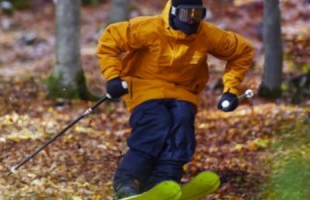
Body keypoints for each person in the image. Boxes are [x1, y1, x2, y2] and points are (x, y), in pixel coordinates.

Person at [97, 0, 254, 199]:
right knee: (156, 122)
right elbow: (111, 39)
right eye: (185, 14)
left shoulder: (206, 34)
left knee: (182, 122)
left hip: (183, 92)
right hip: (146, 86)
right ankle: (127, 181)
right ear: (172, 13)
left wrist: (231, 89)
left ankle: (163, 181)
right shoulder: (150, 28)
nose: (191, 20)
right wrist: (113, 77)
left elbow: (242, 51)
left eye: (197, 15)